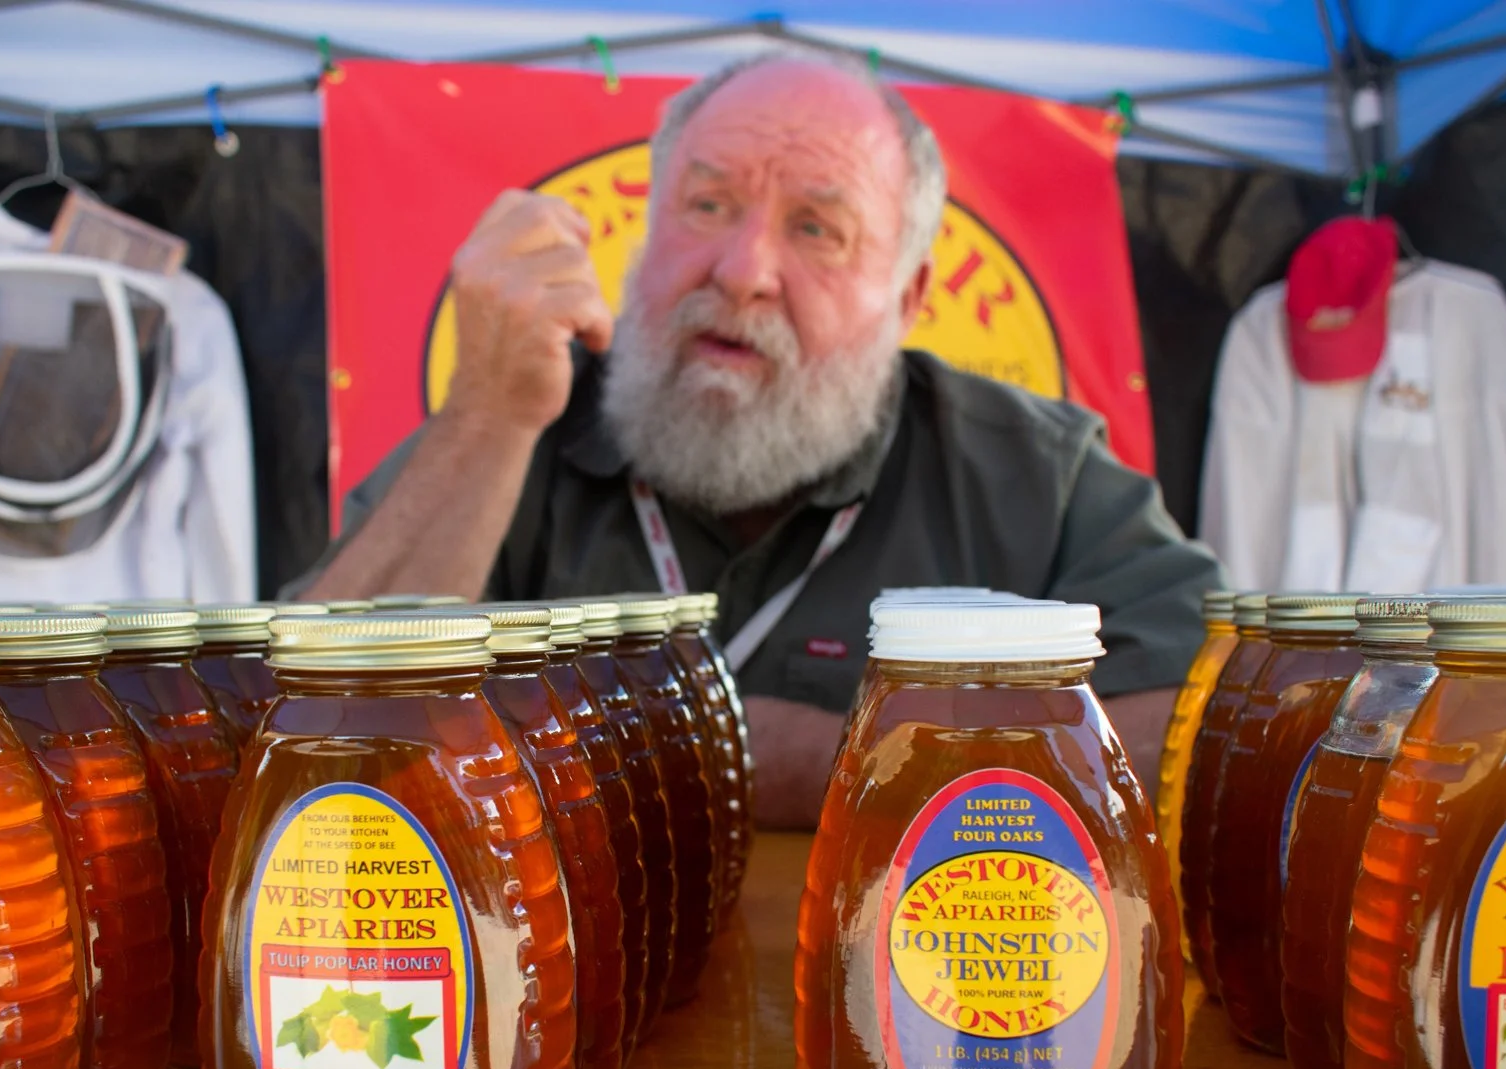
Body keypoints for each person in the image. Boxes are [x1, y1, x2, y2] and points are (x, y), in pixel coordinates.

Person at [296, 52, 1224, 828]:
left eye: (817, 229)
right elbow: (309, 729)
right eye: (706, 206)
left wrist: (826, 764)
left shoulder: (1029, 471)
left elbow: (1206, 720)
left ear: (906, 299)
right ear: (646, 230)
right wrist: (487, 415)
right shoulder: (520, 419)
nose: (742, 272)